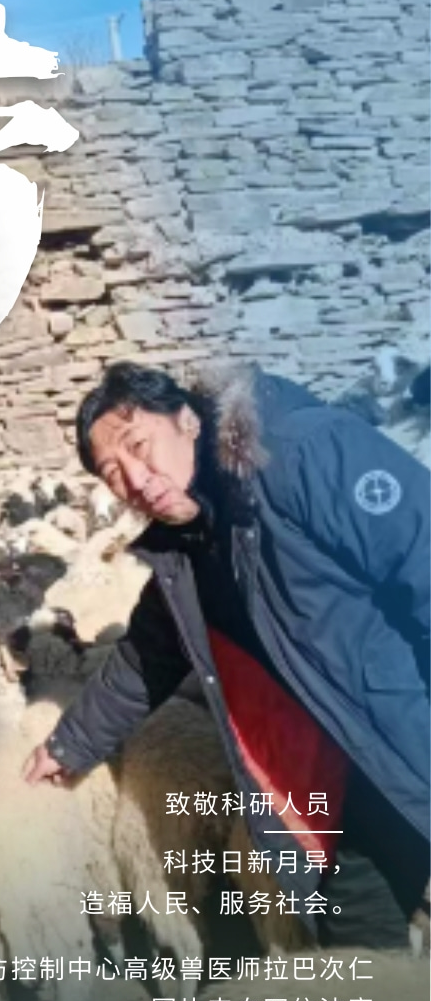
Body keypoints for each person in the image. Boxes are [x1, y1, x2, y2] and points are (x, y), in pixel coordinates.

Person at [23, 360, 430, 948]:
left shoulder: (303, 453)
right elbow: (146, 657)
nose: (136, 479)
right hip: (342, 779)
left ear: (187, 419)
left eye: (139, 446)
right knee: (359, 957)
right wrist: (68, 745)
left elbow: (420, 554)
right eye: (113, 474)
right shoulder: (184, 554)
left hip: (409, 736)